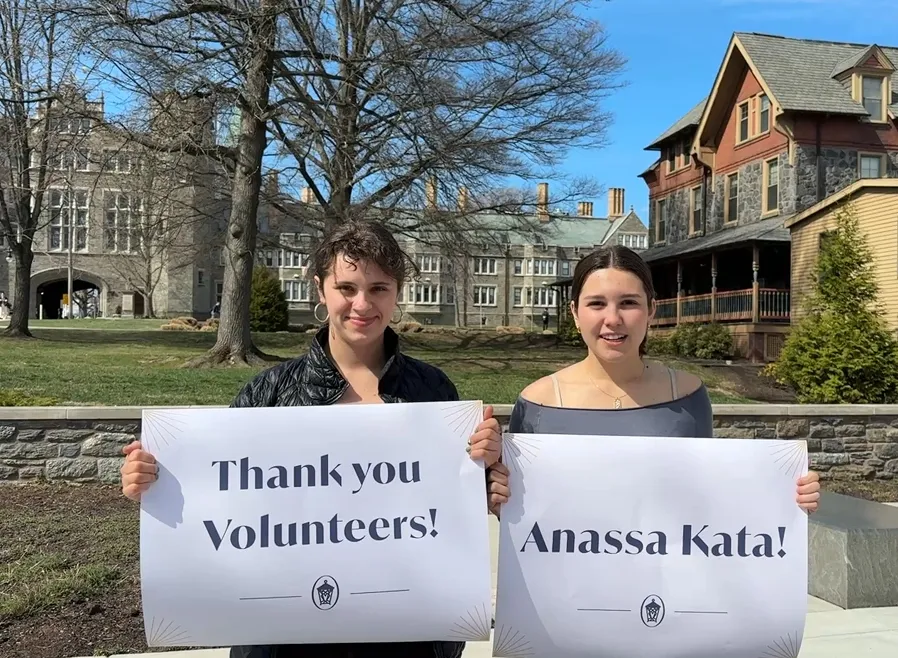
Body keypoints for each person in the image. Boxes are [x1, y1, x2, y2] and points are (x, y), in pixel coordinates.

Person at [121, 220, 503, 658]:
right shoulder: (270, 393)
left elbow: (456, 512)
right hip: (290, 636)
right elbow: (219, 494)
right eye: (347, 287)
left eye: (379, 288)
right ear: (320, 290)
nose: (362, 304)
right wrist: (154, 481)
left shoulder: (434, 393)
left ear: (397, 293)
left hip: (407, 631)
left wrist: (485, 468)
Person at [485, 244, 820, 516]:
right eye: (596, 304)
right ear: (575, 313)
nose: (613, 319)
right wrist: (498, 499)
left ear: (651, 310)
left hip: (663, 586)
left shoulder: (687, 397)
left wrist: (784, 498)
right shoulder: (537, 403)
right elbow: (521, 514)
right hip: (563, 591)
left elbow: (707, 496)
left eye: (629, 303)